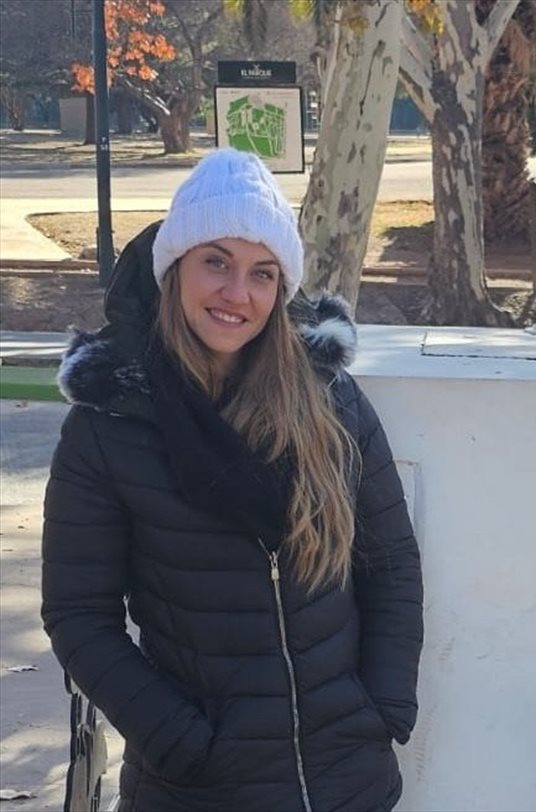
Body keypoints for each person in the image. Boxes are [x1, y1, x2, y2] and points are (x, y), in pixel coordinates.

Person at [41, 147, 423, 812]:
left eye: (262, 273)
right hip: (196, 788)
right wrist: (182, 743)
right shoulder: (109, 425)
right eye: (216, 262)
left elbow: (389, 562)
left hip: (347, 781)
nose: (238, 293)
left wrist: (384, 708)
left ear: (281, 288)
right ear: (175, 267)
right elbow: (79, 616)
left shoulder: (330, 401)